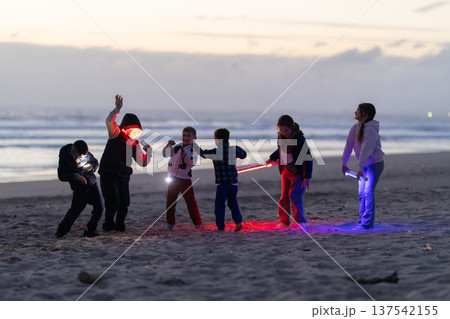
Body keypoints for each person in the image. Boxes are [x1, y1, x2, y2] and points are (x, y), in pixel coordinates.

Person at [99, 95, 152, 232]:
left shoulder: (134, 144)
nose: (134, 132)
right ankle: (108, 225)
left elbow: (143, 163)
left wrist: (149, 152)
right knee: (113, 201)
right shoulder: (115, 133)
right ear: (125, 127)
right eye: (132, 129)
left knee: (124, 203)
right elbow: (109, 121)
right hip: (109, 172)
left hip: (123, 175)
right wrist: (117, 108)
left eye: (137, 130)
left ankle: (120, 225)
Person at [341, 103, 384, 229]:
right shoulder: (355, 128)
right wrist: (344, 163)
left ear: (365, 114)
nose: (355, 112)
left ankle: (367, 223)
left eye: (358, 110)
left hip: (374, 164)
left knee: (368, 192)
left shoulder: (370, 130)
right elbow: (348, 146)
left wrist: (359, 169)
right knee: (361, 193)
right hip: (364, 165)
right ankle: (361, 220)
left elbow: (366, 150)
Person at [267, 115, 313, 228]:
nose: (284, 133)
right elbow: (281, 149)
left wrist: (307, 176)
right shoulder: (281, 136)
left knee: (294, 195)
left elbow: (307, 158)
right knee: (284, 197)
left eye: (286, 130)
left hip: (298, 173)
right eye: (281, 130)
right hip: (285, 171)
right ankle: (284, 221)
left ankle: (300, 221)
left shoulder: (299, 139)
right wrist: (272, 158)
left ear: (291, 128)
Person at [199, 128, 247, 232]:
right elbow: (244, 155)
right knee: (233, 203)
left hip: (222, 184)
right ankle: (238, 222)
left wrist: (192, 145)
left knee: (220, 205)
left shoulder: (215, 152)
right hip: (233, 183)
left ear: (217, 140)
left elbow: (202, 154)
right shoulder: (234, 149)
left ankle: (220, 226)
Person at [56, 140, 103, 238]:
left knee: (99, 208)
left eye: (83, 157)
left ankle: (90, 231)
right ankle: (61, 232)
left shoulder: (84, 152)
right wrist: (76, 176)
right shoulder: (65, 156)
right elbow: (61, 175)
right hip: (79, 189)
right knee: (75, 211)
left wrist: (91, 168)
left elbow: (95, 162)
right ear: (73, 151)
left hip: (92, 184)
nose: (81, 160)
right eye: (79, 158)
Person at [162, 127, 203, 231]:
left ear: (194, 138)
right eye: (184, 135)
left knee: (190, 202)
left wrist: (185, 156)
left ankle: (197, 223)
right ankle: (170, 223)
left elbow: (191, 163)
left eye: (188, 136)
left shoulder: (193, 150)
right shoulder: (176, 147)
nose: (185, 137)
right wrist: (168, 146)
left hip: (185, 178)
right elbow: (165, 154)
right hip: (173, 178)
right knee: (170, 201)